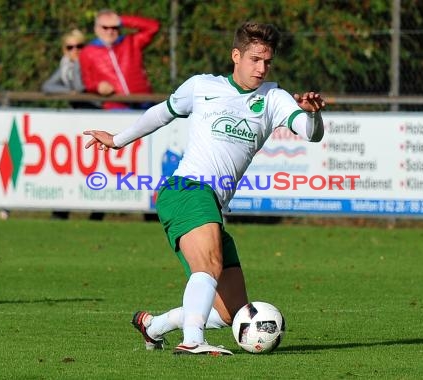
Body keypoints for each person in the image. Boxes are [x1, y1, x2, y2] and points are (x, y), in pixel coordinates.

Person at [83, 21, 326, 355]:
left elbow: (310, 132)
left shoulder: (274, 97)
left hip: (211, 203)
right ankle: (193, 339)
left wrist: (312, 115)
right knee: (208, 266)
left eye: (267, 61)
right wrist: (117, 140)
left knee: (232, 313)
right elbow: (161, 113)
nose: (261, 67)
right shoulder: (201, 86)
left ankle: (154, 326)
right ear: (235, 55)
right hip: (187, 189)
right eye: (255, 59)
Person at [41, 28, 103, 221]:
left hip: (97, 117)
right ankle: (61, 211)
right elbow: (47, 87)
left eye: (80, 46)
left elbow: (80, 87)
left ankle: (97, 210)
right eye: (70, 47)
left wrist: (76, 71)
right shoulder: (65, 65)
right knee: (73, 167)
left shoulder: (86, 63)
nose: (75, 51)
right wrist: (69, 92)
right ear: (64, 49)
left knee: (97, 167)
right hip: (80, 121)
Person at [79, 9, 160, 110]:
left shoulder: (131, 42)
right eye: (105, 27)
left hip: (144, 101)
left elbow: (153, 27)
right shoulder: (87, 52)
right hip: (116, 105)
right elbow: (87, 82)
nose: (110, 31)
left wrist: (122, 20)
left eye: (114, 27)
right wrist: (98, 87)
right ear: (96, 29)